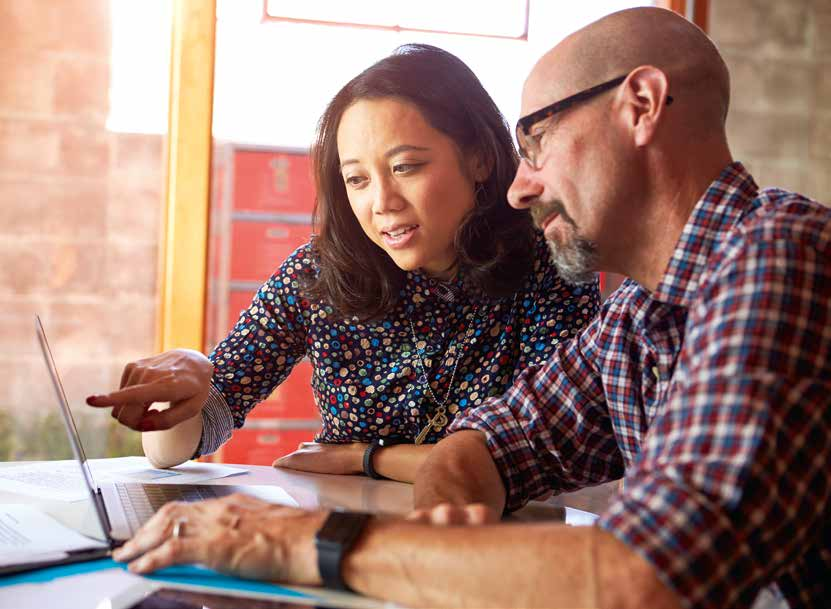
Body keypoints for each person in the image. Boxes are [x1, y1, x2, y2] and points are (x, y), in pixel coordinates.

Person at [109, 7, 831, 609]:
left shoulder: (778, 253)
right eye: (357, 178)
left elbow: (646, 575)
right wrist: (448, 502)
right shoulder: (639, 312)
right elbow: (502, 436)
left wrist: (299, 539)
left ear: (639, 105)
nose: (522, 187)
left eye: (538, 142)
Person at [86, 44, 599, 482]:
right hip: (345, 544)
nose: (382, 202)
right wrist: (194, 378)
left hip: (494, 551)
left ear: (480, 158)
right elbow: (178, 447)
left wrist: (367, 459)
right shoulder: (318, 273)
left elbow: (543, 453)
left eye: (405, 167)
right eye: (358, 179)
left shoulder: (548, 266)